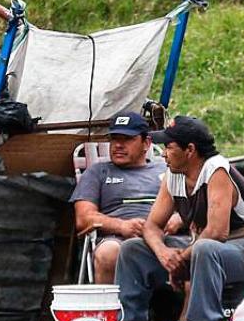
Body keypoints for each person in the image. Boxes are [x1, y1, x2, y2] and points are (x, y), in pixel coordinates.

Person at [114, 115, 244, 321]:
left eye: (169, 147)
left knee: (205, 247)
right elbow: (152, 226)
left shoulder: (217, 171)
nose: (163, 153)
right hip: (205, 253)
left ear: (190, 150)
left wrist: (181, 258)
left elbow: (217, 233)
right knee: (132, 249)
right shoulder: (174, 175)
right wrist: (164, 253)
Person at [69, 111, 174, 284]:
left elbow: (192, 206)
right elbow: (83, 218)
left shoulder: (166, 171)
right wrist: (122, 226)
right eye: (114, 139)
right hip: (118, 239)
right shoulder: (97, 172)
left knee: (198, 251)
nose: (118, 145)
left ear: (146, 143)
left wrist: (178, 219)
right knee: (107, 253)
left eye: (127, 139)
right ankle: (111, 303)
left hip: (165, 236)